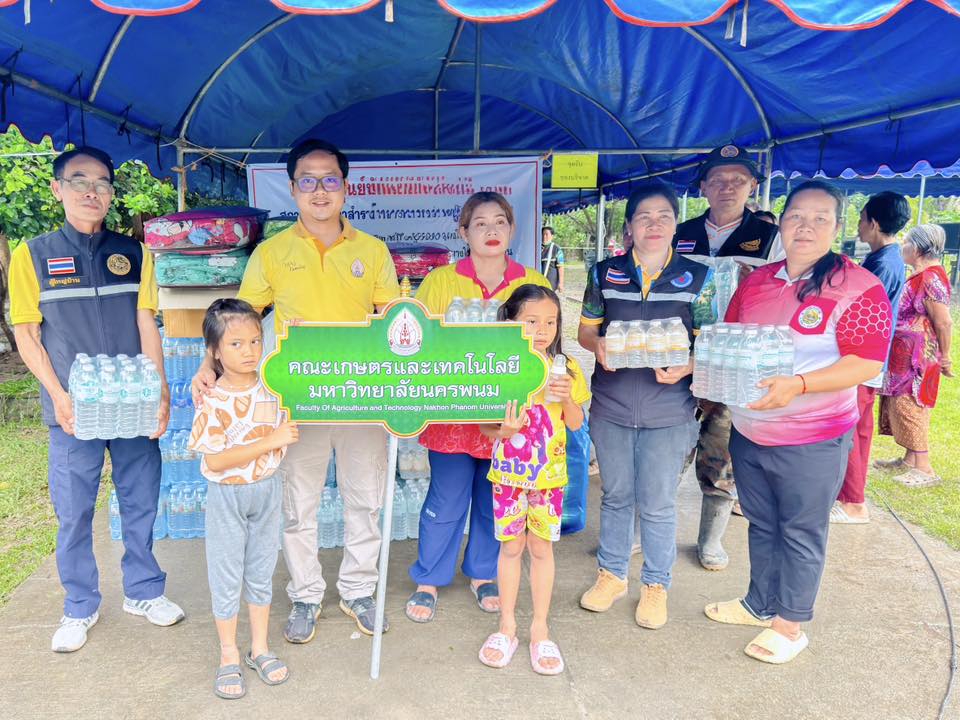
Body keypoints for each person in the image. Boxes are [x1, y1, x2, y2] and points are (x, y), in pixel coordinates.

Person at [192, 138, 400, 640]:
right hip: (295, 402)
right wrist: (208, 364)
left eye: (330, 180)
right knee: (297, 505)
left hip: (360, 396)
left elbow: (394, 323)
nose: (319, 190)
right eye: (308, 180)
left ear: (345, 188)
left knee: (364, 499)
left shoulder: (372, 251)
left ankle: (358, 590)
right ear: (292, 188)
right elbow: (237, 320)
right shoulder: (271, 252)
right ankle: (305, 595)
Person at [705, 180, 892, 664]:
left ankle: (789, 626)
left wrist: (800, 385)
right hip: (750, 431)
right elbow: (730, 340)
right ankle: (759, 603)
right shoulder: (757, 282)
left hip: (814, 437)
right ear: (781, 223)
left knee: (800, 530)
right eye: (796, 217)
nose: (805, 227)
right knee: (761, 523)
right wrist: (695, 367)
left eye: (819, 218)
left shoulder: (859, 287)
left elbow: (866, 364)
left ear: (838, 226)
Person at [9, 146, 184, 653]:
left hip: (132, 404)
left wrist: (159, 390)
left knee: (141, 500)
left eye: (103, 183)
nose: (92, 191)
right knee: (74, 509)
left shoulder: (135, 254)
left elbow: (146, 324)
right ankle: (79, 604)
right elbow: (27, 334)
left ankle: (144, 591)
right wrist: (59, 396)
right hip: (73, 411)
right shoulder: (33, 255)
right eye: (80, 181)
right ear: (57, 189)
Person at [405, 192, 551, 623]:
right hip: (453, 413)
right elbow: (422, 344)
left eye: (500, 222)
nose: (491, 231)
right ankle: (429, 578)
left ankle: (484, 573)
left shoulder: (532, 281)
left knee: (495, 499)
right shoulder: (441, 281)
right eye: (480, 223)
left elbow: (546, 341)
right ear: (463, 232)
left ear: (512, 229)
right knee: (446, 498)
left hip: (509, 415)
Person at [577, 181, 710, 629]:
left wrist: (688, 365)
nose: (654, 225)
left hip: (669, 408)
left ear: (676, 224)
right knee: (616, 496)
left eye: (664, 217)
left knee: (657, 502)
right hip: (612, 404)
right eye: (644, 217)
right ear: (629, 227)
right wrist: (598, 346)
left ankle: (655, 584)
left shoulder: (698, 278)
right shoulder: (604, 273)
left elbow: (710, 345)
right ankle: (612, 575)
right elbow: (586, 331)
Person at [672, 144, 781, 572]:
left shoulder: (770, 239)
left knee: (722, 450)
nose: (727, 187)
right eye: (717, 180)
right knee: (668, 446)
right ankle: (649, 530)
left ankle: (711, 539)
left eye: (737, 180)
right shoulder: (680, 233)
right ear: (703, 186)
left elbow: (785, 297)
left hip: (735, 362)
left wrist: (760, 285)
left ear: (752, 185)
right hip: (680, 355)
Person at [189, 299, 299, 699]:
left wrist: (303, 339)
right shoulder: (212, 398)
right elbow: (215, 460)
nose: (249, 351)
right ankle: (228, 653)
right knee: (226, 573)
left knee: (261, 570)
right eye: (235, 344)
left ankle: (260, 647)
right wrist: (270, 441)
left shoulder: (274, 385)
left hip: (267, 489)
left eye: (255, 341)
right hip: (227, 496)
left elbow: (307, 373)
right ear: (214, 351)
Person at [477, 285, 589, 674]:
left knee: (541, 549)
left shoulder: (566, 369)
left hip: (549, 478)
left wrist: (568, 398)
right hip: (508, 475)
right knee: (511, 548)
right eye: (531, 321)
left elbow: (575, 423)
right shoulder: (499, 367)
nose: (542, 330)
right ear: (509, 322)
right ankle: (506, 626)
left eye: (550, 322)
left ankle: (540, 629)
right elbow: (486, 428)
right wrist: (504, 430)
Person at [831, 192, 909, 523]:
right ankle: (853, 498)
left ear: (874, 223)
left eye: (862, 219)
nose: (859, 226)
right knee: (859, 430)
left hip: (862, 359)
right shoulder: (886, 258)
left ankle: (852, 502)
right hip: (870, 359)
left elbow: (855, 308)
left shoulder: (882, 265)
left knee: (849, 430)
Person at [877, 224, 953, 486]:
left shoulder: (930, 278)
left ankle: (924, 467)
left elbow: (943, 322)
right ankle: (910, 459)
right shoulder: (919, 275)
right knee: (898, 404)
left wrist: (946, 357)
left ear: (918, 248)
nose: (902, 246)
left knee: (910, 405)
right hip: (904, 354)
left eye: (906, 241)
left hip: (917, 357)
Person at [540, 225, 565, 294]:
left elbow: (561, 267)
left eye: (546, 234)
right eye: (543, 234)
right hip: (538, 280)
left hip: (551, 282)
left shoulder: (557, 249)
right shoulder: (537, 247)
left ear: (552, 236)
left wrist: (561, 283)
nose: (544, 236)